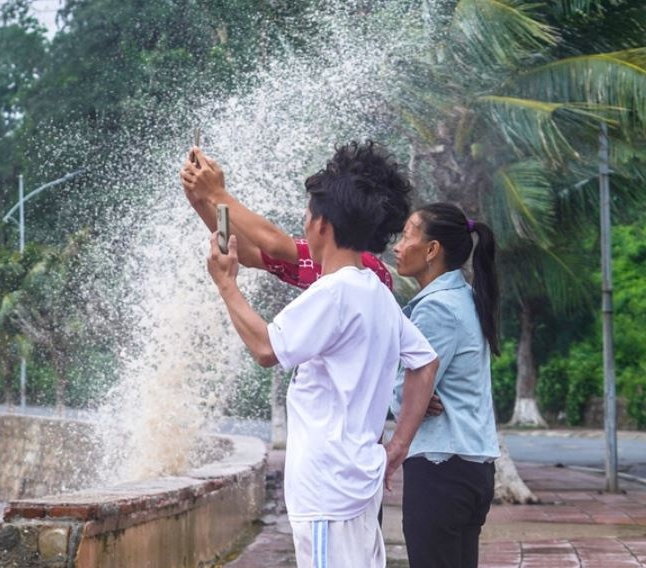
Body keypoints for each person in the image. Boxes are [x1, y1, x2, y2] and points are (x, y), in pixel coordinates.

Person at [202, 141, 439, 567]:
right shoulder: (375, 292)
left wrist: (226, 284)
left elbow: (264, 347)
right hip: (356, 480)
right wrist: (397, 447)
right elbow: (425, 362)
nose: (304, 224)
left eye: (307, 216)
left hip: (328, 490)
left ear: (323, 225)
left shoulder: (335, 292)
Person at [389, 202, 501, 568]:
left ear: (432, 250)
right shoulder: (464, 298)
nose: (397, 246)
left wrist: (408, 392)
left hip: (442, 466)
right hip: (471, 464)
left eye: (407, 235)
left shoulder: (436, 308)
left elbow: (409, 391)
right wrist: (418, 392)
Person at [179, 143, 406, 291]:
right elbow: (249, 253)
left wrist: (217, 194)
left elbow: (275, 245)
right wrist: (200, 200)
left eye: (313, 213)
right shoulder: (340, 268)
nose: (307, 220)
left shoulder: (364, 268)